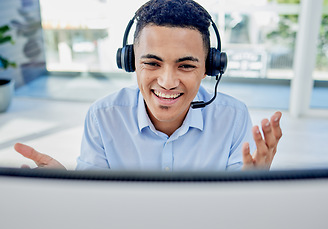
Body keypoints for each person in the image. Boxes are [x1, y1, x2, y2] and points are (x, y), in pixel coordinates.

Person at [14, 0, 282, 171]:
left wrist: (251, 187)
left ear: (208, 69)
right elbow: (94, 206)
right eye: (152, 63)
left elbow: (233, 217)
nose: (167, 82)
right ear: (130, 62)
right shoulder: (102, 117)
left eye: (186, 65)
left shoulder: (233, 117)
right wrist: (68, 190)